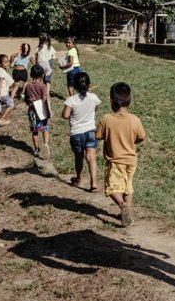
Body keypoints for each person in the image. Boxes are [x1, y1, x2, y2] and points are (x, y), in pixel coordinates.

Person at [95, 82, 146, 227]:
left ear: (111, 101)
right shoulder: (135, 120)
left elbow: (98, 136)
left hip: (115, 160)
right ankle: (127, 213)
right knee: (127, 186)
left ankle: (122, 206)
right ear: (129, 101)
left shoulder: (106, 119)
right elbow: (142, 137)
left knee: (112, 188)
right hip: (131, 160)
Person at [62, 72, 101, 192]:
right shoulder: (94, 97)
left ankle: (79, 179)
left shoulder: (71, 100)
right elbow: (95, 108)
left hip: (77, 133)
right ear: (89, 85)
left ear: (74, 85)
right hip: (91, 131)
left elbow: (65, 115)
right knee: (91, 157)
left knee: (79, 158)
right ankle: (94, 182)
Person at [23, 64, 51, 160]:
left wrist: (30, 104)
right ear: (42, 74)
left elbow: (26, 98)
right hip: (41, 110)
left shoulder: (28, 86)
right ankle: (46, 144)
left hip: (31, 110)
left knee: (34, 131)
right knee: (45, 127)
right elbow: (44, 97)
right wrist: (42, 105)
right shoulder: (43, 86)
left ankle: (36, 149)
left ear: (31, 74)